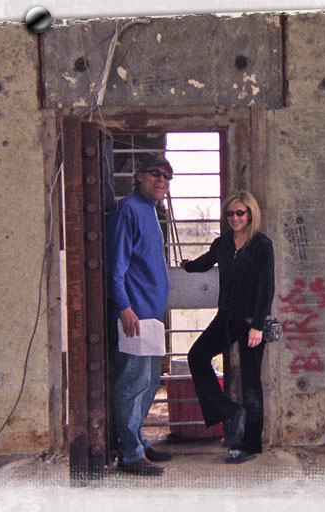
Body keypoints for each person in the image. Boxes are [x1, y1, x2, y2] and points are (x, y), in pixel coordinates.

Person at [180, 190, 275, 463]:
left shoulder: (261, 244)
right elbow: (204, 263)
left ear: (251, 214)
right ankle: (228, 410)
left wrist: (258, 326)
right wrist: (186, 266)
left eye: (240, 213)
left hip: (251, 322)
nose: (235, 218)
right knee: (196, 356)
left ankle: (251, 444)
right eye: (230, 213)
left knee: (251, 382)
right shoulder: (222, 243)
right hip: (227, 318)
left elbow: (266, 287)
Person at [106, 154, 174, 476]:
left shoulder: (151, 211)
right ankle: (130, 455)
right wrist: (124, 308)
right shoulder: (128, 211)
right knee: (132, 383)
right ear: (139, 176)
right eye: (155, 173)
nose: (161, 180)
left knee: (149, 382)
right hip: (135, 314)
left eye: (167, 176)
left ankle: (138, 440)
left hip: (153, 314)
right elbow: (115, 268)